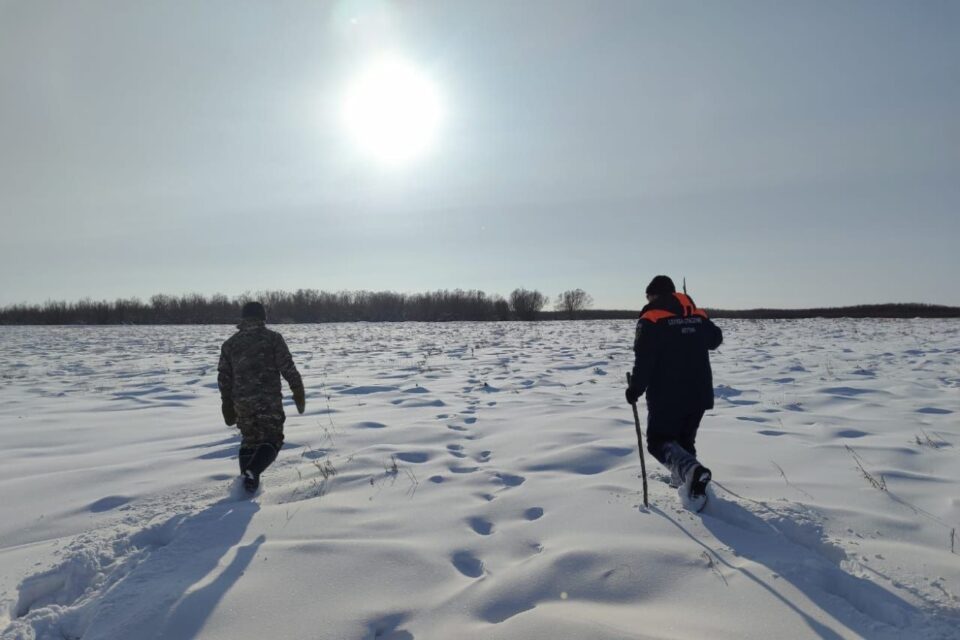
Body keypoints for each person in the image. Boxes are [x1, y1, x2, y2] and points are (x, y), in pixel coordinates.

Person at [625, 275, 722, 509]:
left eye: (648, 295)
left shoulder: (652, 319)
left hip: (667, 395)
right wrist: (693, 320)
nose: (647, 300)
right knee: (684, 442)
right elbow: (715, 339)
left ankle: (690, 471)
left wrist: (635, 389)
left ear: (655, 295)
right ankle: (689, 492)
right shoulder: (696, 314)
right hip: (699, 393)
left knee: (659, 442)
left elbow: (645, 360)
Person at [218, 301, 306, 492]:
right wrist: (297, 389)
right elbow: (287, 367)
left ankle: (247, 486)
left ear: (243, 318)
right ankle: (252, 473)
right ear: (263, 317)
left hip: (241, 402)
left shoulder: (230, 344)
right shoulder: (273, 339)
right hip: (268, 401)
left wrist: (226, 402)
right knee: (273, 438)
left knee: (250, 439)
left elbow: (224, 377)